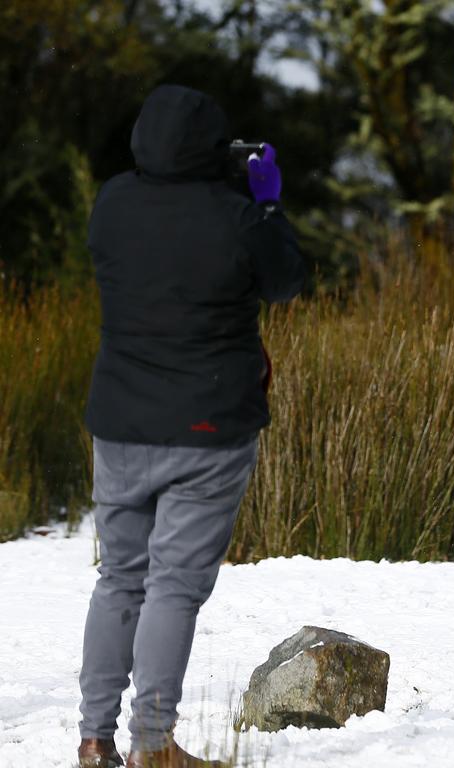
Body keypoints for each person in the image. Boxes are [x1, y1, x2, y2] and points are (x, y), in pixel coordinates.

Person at [77, 84, 305, 768]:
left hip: (119, 423)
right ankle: (152, 745)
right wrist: (266, 201)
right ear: (214, 148)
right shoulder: (238, 217)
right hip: (208, 428)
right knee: (172, 586)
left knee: (119, 578)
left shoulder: (111, 203)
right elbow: (287, 281)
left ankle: (94, 739)